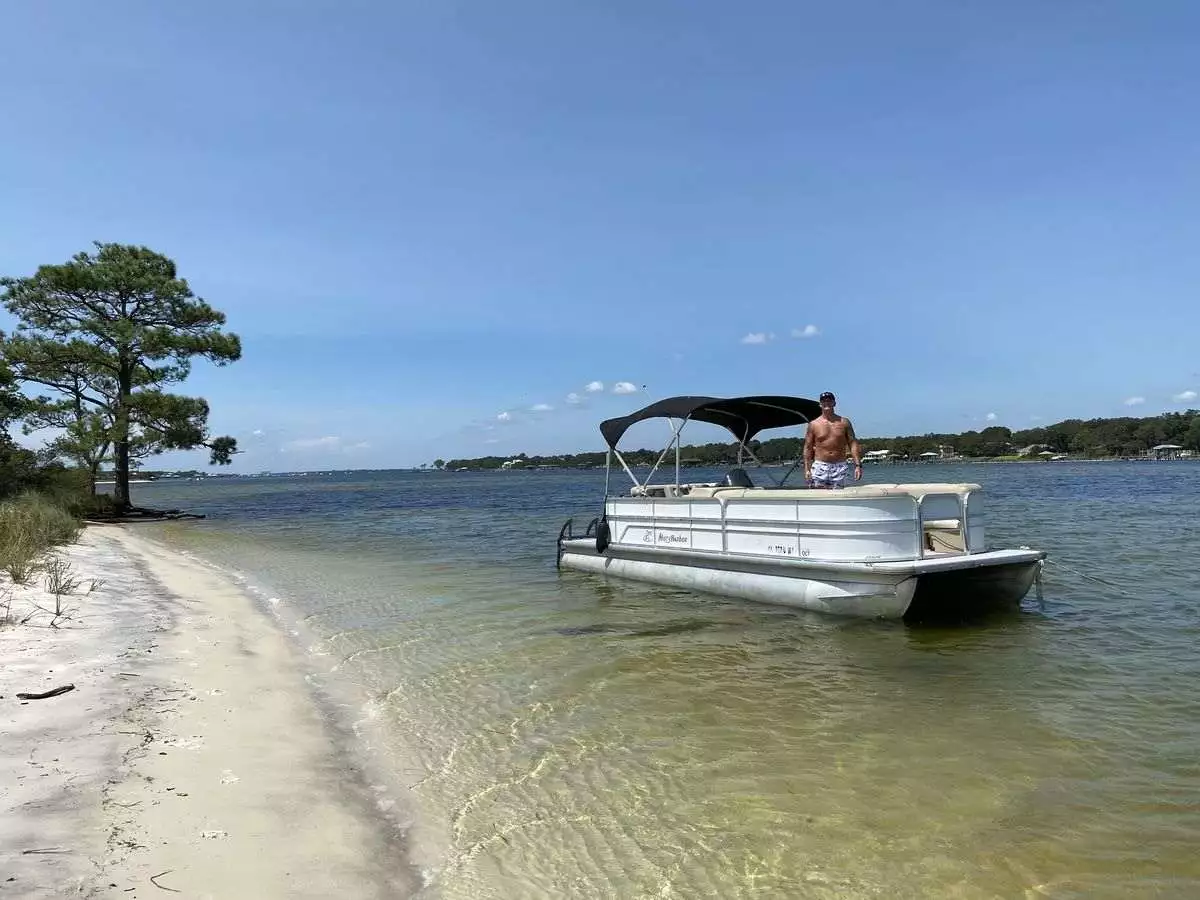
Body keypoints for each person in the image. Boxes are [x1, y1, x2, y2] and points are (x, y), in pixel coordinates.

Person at [803, 391, 862, 488]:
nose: (827, 403)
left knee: (843, 498)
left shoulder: (844, 422)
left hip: (840, 467)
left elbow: (853, 443)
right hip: (820, 466)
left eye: (829, 401)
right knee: (817, 497)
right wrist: (807, 469)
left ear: (834, 403)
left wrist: (858, 465)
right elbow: (808, 447)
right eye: (824, 401)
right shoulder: (813, 424)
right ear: (820, 404)